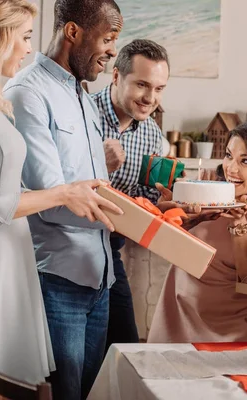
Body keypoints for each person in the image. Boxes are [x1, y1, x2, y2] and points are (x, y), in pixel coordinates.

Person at [0, 0, 120, 386]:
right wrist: (65, 194)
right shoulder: (14, 94)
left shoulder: (75, 97)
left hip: (53, 266)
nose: (27, 47)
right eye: (24, 37)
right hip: (15, 264)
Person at [147, 120, 247, 343]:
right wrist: (169, 213)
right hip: (179, 308)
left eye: (245, 161)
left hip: (233, 327)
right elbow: (168, 245)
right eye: (228, 156)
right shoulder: (207, 190)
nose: (231, 169)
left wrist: (240, 224)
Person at [93, 39, 170, 348]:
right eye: (142, 85)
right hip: (67, 247)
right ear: (115, 76)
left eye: (160, 88)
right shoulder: (83, 112)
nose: (150, 98)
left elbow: (143, 199)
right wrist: (100, 163)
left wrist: (164, 205)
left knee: (126, 346)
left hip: (111, 251)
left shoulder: (152, 134)